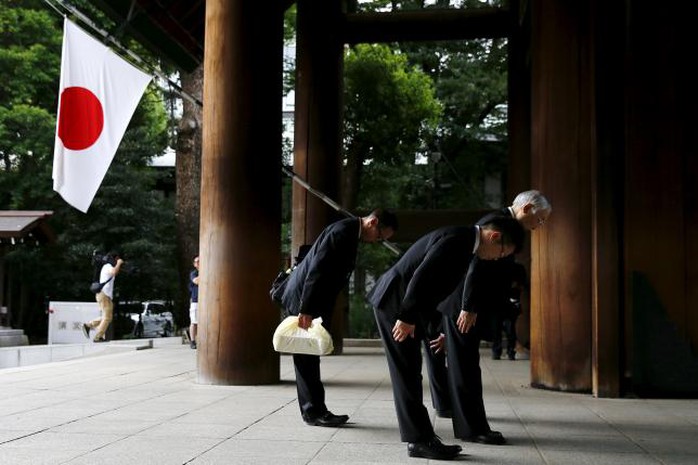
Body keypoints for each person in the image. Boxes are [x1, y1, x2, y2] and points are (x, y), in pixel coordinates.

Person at [367, 216, 525, 460]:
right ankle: (419, 441)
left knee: (410, 371)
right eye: (501, 253)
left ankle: (421, 438)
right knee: (407, 373)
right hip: (396, 304)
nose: (497, 258)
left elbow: (436, 290)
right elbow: (422, 277)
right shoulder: (458, 240)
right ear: (494, 236)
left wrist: (437, 329)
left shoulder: (464, 242)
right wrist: (407, 317)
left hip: (408, 307)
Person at [438, 190, 551, 445]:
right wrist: (468, 307)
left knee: (467, 365)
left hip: (470, 306)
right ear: (528, 208)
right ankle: (472, 429)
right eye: (540, 219)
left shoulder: (507, 225)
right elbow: (475, 266)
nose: (540, 225)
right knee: (465, 367)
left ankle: (474, 425)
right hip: (464, 306)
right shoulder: (495, 222)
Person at [280, 209, 398, 428]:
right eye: (380, 236)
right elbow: (317, 270)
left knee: (309, 356)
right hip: (304, 301)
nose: (377, 241)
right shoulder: (343, 232)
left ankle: (316, 410)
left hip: (309, 300)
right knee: (306, 358)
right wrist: (305, 309)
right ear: (373, 222)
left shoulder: (349, 232)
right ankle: (313, 412)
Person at [82, 251, 124, 343]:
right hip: (104, 294)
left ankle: (89, 325)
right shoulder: (108, 266)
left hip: (105, 295)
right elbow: (114, 272)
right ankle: (98, 337)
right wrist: (119, 263)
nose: (118, 261)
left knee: (107, 317)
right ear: (115, 258)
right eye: (117, 259)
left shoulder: (107, 266)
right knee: (107, 317)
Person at [491, 260, 527, 360]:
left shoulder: (517, 268)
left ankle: (509, 352)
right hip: (499, 303)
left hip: (510, 303)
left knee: (509, 329)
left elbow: (521, 284)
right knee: (497, 328)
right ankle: (499, 351)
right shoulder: (497, 267)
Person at [189, 255, 200, 349]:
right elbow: (196, 281)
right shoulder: (194, 273)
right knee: (194, 321)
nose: (199, 263)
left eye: (200, 261)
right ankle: (192, 341)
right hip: (196, 301)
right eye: (197, 262)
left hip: (207, 302)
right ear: (194, 264)